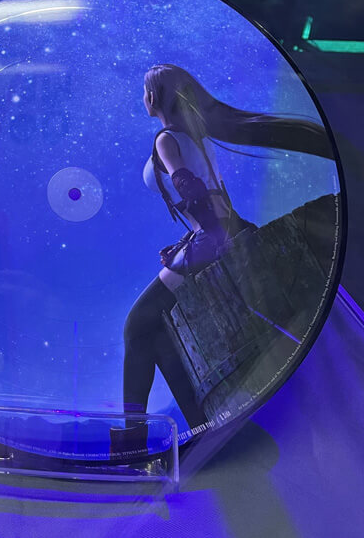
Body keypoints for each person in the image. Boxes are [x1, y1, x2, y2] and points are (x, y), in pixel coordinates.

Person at [114, 64, 334, 456]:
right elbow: (211, 194)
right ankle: (196, 427)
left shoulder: (165, 139)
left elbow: (191, 188)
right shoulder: (195, 137)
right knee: (155, 332)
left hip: (212, 241)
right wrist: (193, 241)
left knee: (136, 325)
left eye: (144, 91)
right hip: (214, 236)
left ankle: (133, 442)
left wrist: (208, 240)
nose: (142, 98)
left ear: (153, 96)